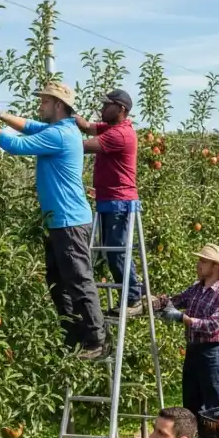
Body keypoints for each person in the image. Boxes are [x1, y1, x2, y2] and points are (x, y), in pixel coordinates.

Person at [0, 83, 106, 359]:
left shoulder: (60, 135)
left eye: (45, 102)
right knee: (59, 282)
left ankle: (96, 339)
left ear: (58, 105)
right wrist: (2, 116)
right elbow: (30, 126)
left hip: (69, 221)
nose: (40, 106)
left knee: (79, 281)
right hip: (60, 222)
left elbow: (15, 144)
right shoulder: (60, 130)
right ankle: (73, 338)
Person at [75, 89, 144, 318]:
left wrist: (58, 136)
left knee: (118, 252)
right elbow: (86, 126)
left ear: (121, 109)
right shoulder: (112, 127)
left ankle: (134, 297)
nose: (102, 109)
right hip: (108, 200)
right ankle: (132, 294)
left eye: (107, 105)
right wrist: (66, 112)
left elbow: (82, 146)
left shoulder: (120, 134)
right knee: (110, 251)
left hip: (120, 202)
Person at [152, 244, 219, 419]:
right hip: (192, 351)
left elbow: (214, 325)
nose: (198, 264)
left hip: (213, 354)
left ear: (215, 267)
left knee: (214, 407)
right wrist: (157, 301)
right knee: (190, 405)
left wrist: (182, 318)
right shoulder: (196, 288)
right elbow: (176, 300)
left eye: (203, 261)